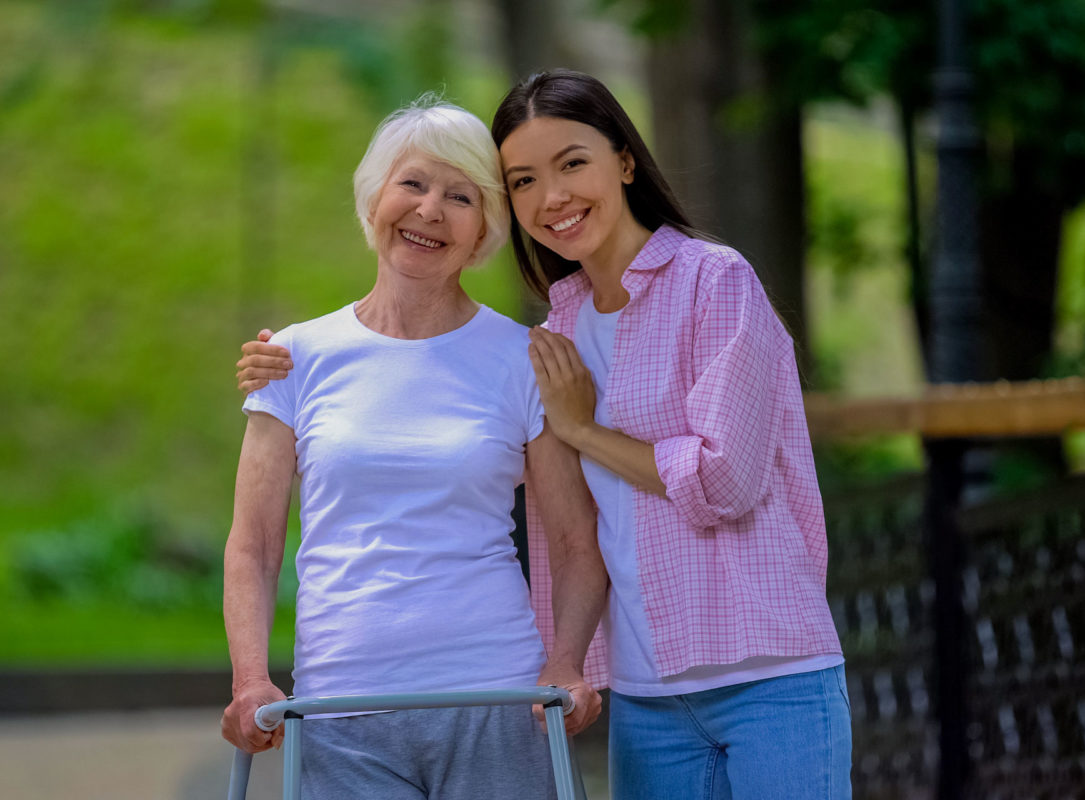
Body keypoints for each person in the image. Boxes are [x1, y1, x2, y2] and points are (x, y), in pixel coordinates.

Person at [238, 70, 850, 800]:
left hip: (763, 666)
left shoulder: (708, 285)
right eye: (524, 179)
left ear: (624, 161)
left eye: (572, 164)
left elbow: (714, 484)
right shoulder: (557, 331)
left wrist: (583, 430)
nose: (553, 197)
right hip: (644, 688)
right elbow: (566, 532)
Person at [221, 96, 605, 800]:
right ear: (375, 197)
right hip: (340, 710)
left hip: (497, 700)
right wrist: (250, 679)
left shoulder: (527, 358)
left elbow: (577, 538)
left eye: (461, 196)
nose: (430, 211)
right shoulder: (294, 358)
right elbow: (252, 543)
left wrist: (569, 661)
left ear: (484, 228)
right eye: (414, 184)